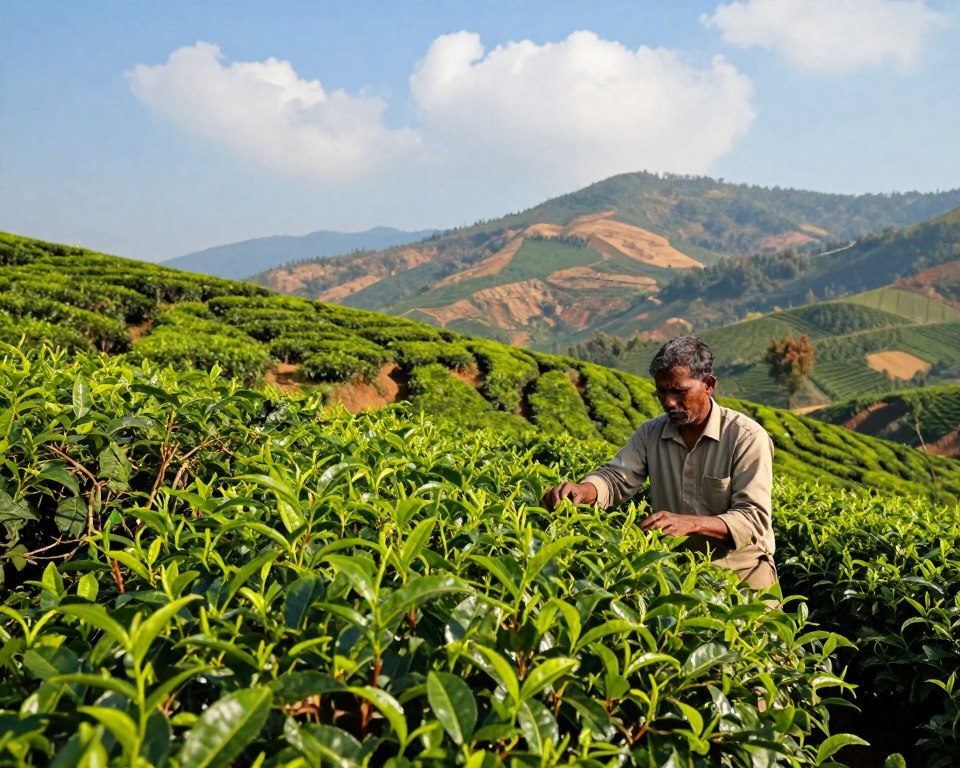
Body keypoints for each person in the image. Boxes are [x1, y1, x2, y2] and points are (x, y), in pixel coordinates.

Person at [541, 336, 777, 590]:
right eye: (661, 392)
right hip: (678, 577)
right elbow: (615, 477)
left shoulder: (747, 438)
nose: (668, 402)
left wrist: (692, 523)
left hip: (743, 578)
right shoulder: (650, 434)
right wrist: (582, 490)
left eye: (679, 391)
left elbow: (753, 518)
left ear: (708, 385)